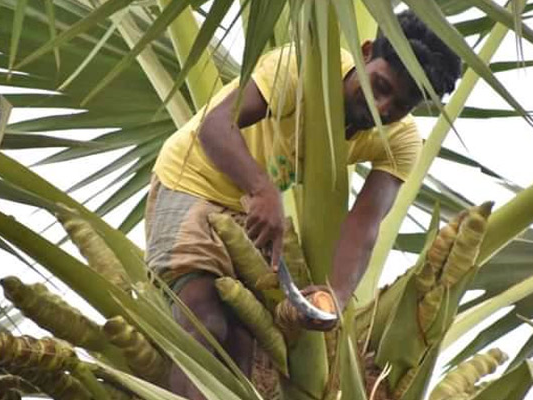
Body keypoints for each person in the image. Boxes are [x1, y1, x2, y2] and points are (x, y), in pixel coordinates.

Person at [144, 10, 461, 399]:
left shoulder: (401, 141)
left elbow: (366, 222)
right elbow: (215, 126)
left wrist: (337, 297)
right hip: (191, 181)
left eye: (402, 104)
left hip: (249, 212)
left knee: (245, 349)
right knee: (204, 320)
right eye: (380, 86)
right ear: (365, 53)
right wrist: (262, 190)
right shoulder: (299, 68)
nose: (383, 108)